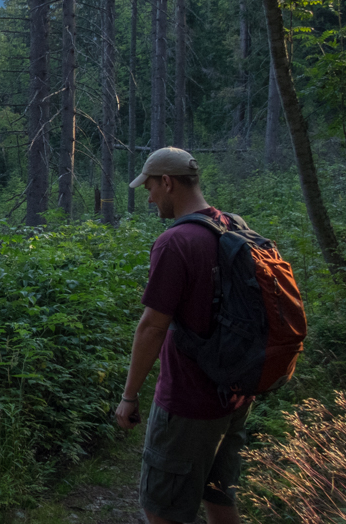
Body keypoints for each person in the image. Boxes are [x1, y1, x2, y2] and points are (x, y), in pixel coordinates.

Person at [115, 147, 255, 524]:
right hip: (235, 395)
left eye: (149, 188)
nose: (148, 198)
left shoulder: (175, 242)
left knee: (163, 511)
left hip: (187, 402)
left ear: (167, 182)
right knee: (220, 499)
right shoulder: (233, 225)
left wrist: (129, 397)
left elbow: (152, 326)